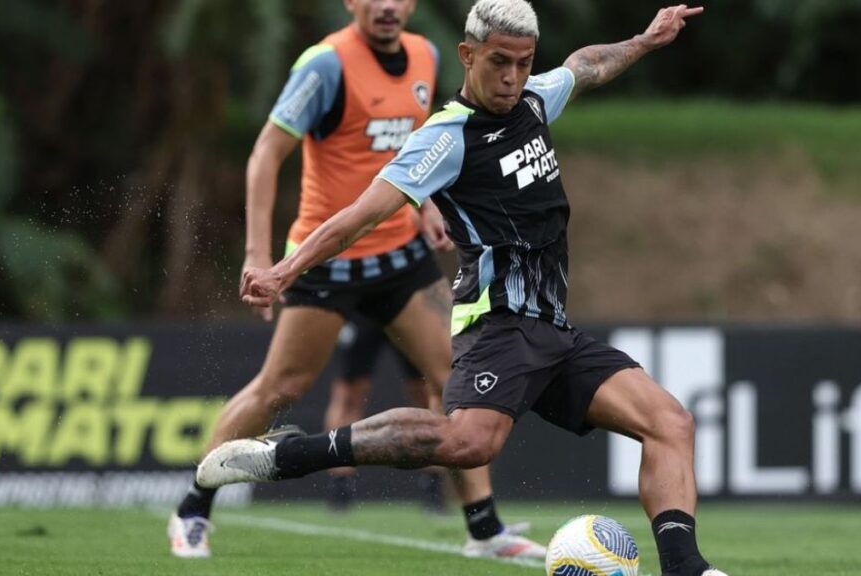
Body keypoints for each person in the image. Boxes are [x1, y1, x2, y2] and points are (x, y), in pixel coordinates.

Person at [202, 1, 728, 575]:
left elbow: (589, 64)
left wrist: (646, 41)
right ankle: (288, 455)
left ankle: (686, 569)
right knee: (468, 444)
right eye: (499, 61)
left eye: (524, 63)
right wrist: (284, 269)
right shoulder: (445, 138)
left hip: (554, 331)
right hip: (498, 324)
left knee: (670, 421)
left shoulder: (534, 98)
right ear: (467, 54)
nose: (511, 77)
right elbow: (359, 216)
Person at [168, 0, 544, 560]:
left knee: (457, 378)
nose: (388, 6)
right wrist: (258, 255)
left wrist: (426, 208)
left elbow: (422, 147)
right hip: (327, 263)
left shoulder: (426, 54)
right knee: (280, 389)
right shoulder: (325, 66)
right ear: (351, 2)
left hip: (399, 257)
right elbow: (265, 155)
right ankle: (193, 508)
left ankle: (484, 530)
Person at [322, 315, 445, 513]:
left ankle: (433, 485)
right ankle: (340, 484)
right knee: (346, 396)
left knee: (427, 393)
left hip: (404, 303)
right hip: (363, 305)